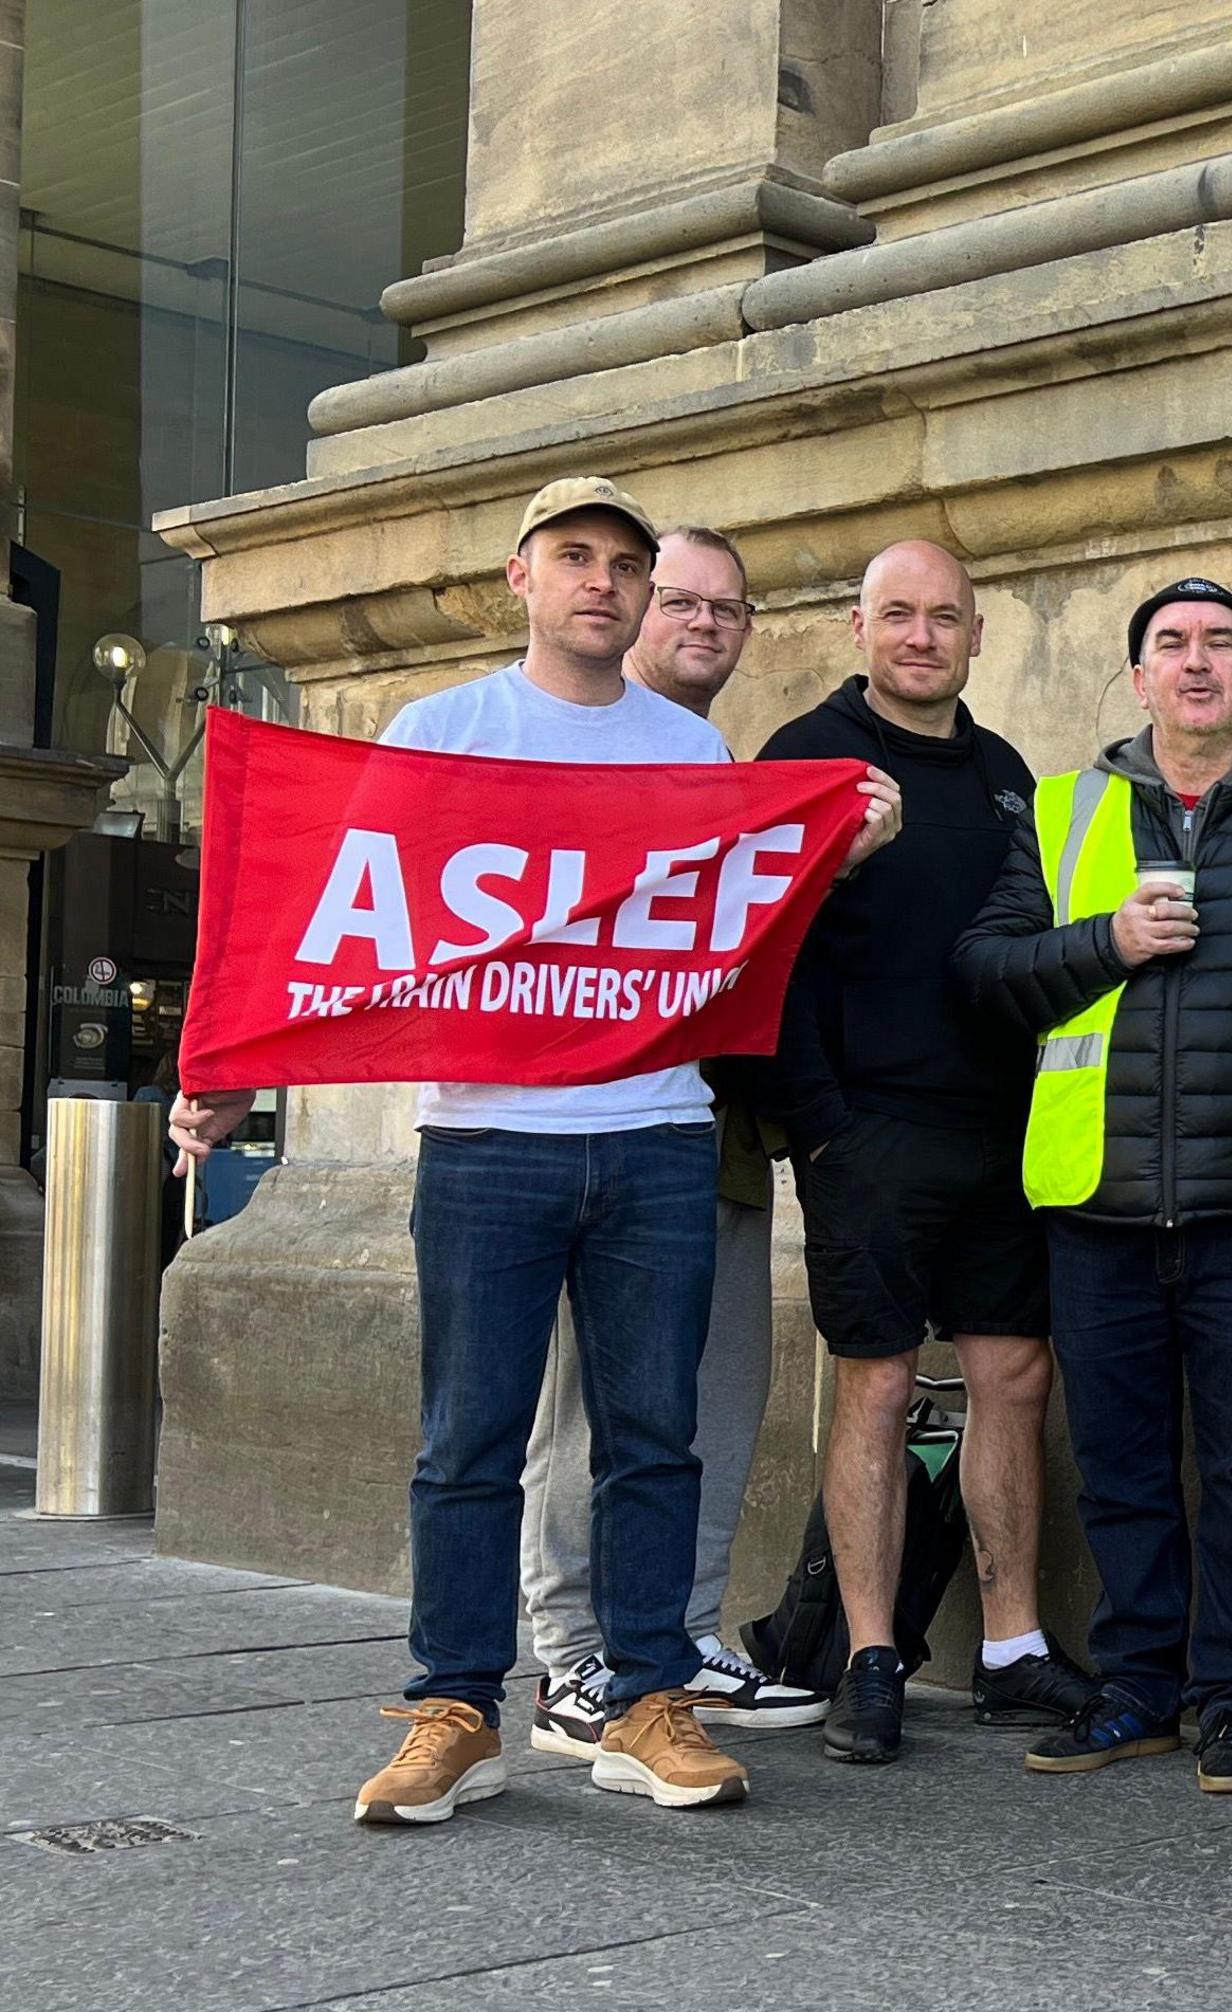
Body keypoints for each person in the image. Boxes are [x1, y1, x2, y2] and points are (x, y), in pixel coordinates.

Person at [173, 478, 888, 1825]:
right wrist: (225, 1072)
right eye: (578, 558)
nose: (603, 582)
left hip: (658, 1135)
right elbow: (335, 920)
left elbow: (742, 929)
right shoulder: (444, 732)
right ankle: (454, 1706)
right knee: (466, 1440)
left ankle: (643, 1699)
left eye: (626, 563)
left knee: (650, 1436)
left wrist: (834, 847)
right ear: (522, 578)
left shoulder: (687, 754)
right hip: (487, 1141)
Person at [955, 576, 1232, 1797]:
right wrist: (1103, 942)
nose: (1199, 662)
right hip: (1096, 1203)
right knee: (1117, 1464)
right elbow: (988, 972)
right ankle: (1137, 1687)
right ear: (1137, 678)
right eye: (1172, 644)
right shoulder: (1061, 813)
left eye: (1224, 643)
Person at [756, 540, 1088, 1766]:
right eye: (897, 614)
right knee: (882, 1385)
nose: (920, 636)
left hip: (999, 1127)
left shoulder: (1005, 774)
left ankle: (1010, 1647)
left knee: (1013, 1376)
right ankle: (871, 1653)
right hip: (866, 1127)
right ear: (858, 625)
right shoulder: (803, 756)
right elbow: (752, 944)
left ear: (976, 636)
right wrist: (816, 1119)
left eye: (944, 617)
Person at [512, 527, 827, 1758]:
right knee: (583, 1408)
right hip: (574, 1126)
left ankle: (676, 1635)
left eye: (730, 610)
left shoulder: (712, 760)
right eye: (682, 598)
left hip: (715, 1131)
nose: (705, 623)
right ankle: (573, 1659)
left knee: (716, 1392)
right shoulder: (561, 748)